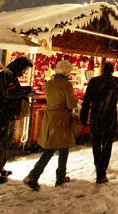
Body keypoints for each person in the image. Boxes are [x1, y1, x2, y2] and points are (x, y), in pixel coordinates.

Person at [24, 60, 78, 191]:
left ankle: (56, 176)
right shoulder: (66, 85)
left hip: (51, 117)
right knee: (59, 148)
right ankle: (36, 175)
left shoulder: (49, 83)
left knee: (55, 147)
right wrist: (76, 100)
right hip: (62, 118)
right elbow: (70, 104)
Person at [0, 56, 34, 184]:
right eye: (25, 69)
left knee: (5, 143)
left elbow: (11, 92)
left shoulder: (9, 75)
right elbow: (9, 93)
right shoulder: (6, 75)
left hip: (7, 115)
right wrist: (26, 90)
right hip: (1, 115)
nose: (24, 72)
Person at [80, 62, 118, 184]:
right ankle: (101, 172)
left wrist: (83, 117)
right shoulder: (117, 82)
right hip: (109, 117)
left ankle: (99, 167)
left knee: (96, 144)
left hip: (96, 116)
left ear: (102, 70)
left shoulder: (94, 81)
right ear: (112, 71)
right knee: (107, 145)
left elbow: (86, 101)